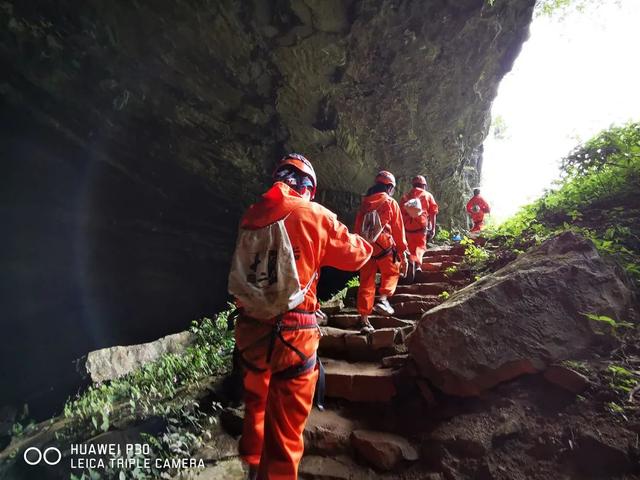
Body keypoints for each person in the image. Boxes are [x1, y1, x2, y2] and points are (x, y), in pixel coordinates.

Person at [228, 153, 372, 480]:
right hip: (294, 337)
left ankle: (252, 461)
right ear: (308, 187)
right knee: (286, 434)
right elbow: (356, 256)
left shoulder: (250, 216)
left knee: (256, 403)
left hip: (251, 333)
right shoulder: (313, 213)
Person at [354, 170, 408, 334]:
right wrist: (403, 254)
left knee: (366, 282)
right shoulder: (390, 202)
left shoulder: (364, 204)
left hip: (366, 246)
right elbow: (398, 230)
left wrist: (359, 247)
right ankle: (383, 299)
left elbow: (357, 228)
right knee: (392, 270)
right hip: (384, 243)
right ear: (390, 187)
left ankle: (364, 319)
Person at [400, 175, 439, 274]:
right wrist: (433, 228)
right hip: (421, 226)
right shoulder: (428, 195)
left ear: (413, 185)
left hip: (407, 227)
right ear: (424, 185)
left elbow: (400, 213)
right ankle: (417, 265)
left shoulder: (405, 197)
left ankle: (411, 261)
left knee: (410, 246)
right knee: (421, 246)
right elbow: (433, 213)